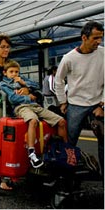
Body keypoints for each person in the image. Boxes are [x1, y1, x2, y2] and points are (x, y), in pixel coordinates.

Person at [54, 21, 104, 176]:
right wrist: (62, 101)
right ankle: (67, 178)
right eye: (95, 38)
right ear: (84, 37)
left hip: (97, 103)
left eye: (101, 38)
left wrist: (102, 104)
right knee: (69, 143)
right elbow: (58, 80)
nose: (99, 41)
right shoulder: (69, 58)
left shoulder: (103, 53)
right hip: (75, 105)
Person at [0, 60, 68, 168]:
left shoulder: (22, 79)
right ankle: (32, 153)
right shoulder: (4, 84)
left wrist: (24, 83)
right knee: (33, 121)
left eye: (16, 72)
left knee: (61, 121)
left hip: (35, 105)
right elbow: (13, 98)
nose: (14, 74)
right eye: (11, 72)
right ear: (5, 73)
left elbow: (37, 86)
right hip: (21, 107)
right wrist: (29, 96)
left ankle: (66, 150)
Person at [0, 35, 30, 191]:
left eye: (7, 47)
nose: (5, 50)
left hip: (14, 105)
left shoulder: (11, 65)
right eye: (2, 46)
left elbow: (22, 82)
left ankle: (18, 171)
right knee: (2, 141)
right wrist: (13, 94)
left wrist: (25, 89)